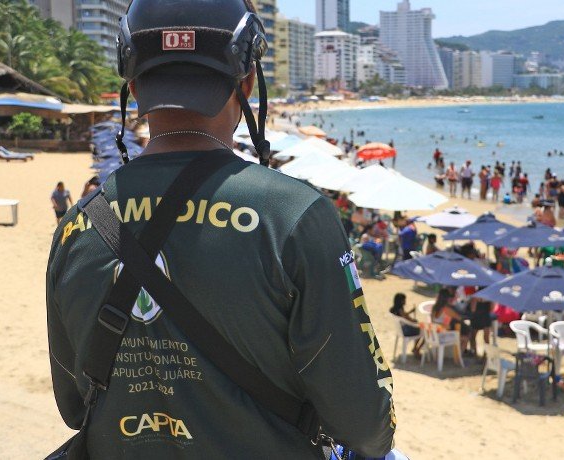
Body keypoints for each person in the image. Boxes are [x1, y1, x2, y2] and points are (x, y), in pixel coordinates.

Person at [46, 1, 395, 457]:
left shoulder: (78, 225)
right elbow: (364, 421)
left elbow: (74, 405)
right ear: (247, 81)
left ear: (132, 85)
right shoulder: (295, 215)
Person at [389, 293, 423, 359]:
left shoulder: (394, 309)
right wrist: (416, 321)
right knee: (422, 331)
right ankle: (416, 348)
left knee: (418, 327)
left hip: (400, 330)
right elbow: (408, 319)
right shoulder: (400, 310)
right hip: (405, 331)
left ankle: (415, 348)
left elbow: (404, 316)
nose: (405, 301)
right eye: (404, 300)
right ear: (401, 301)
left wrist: (410, 312)